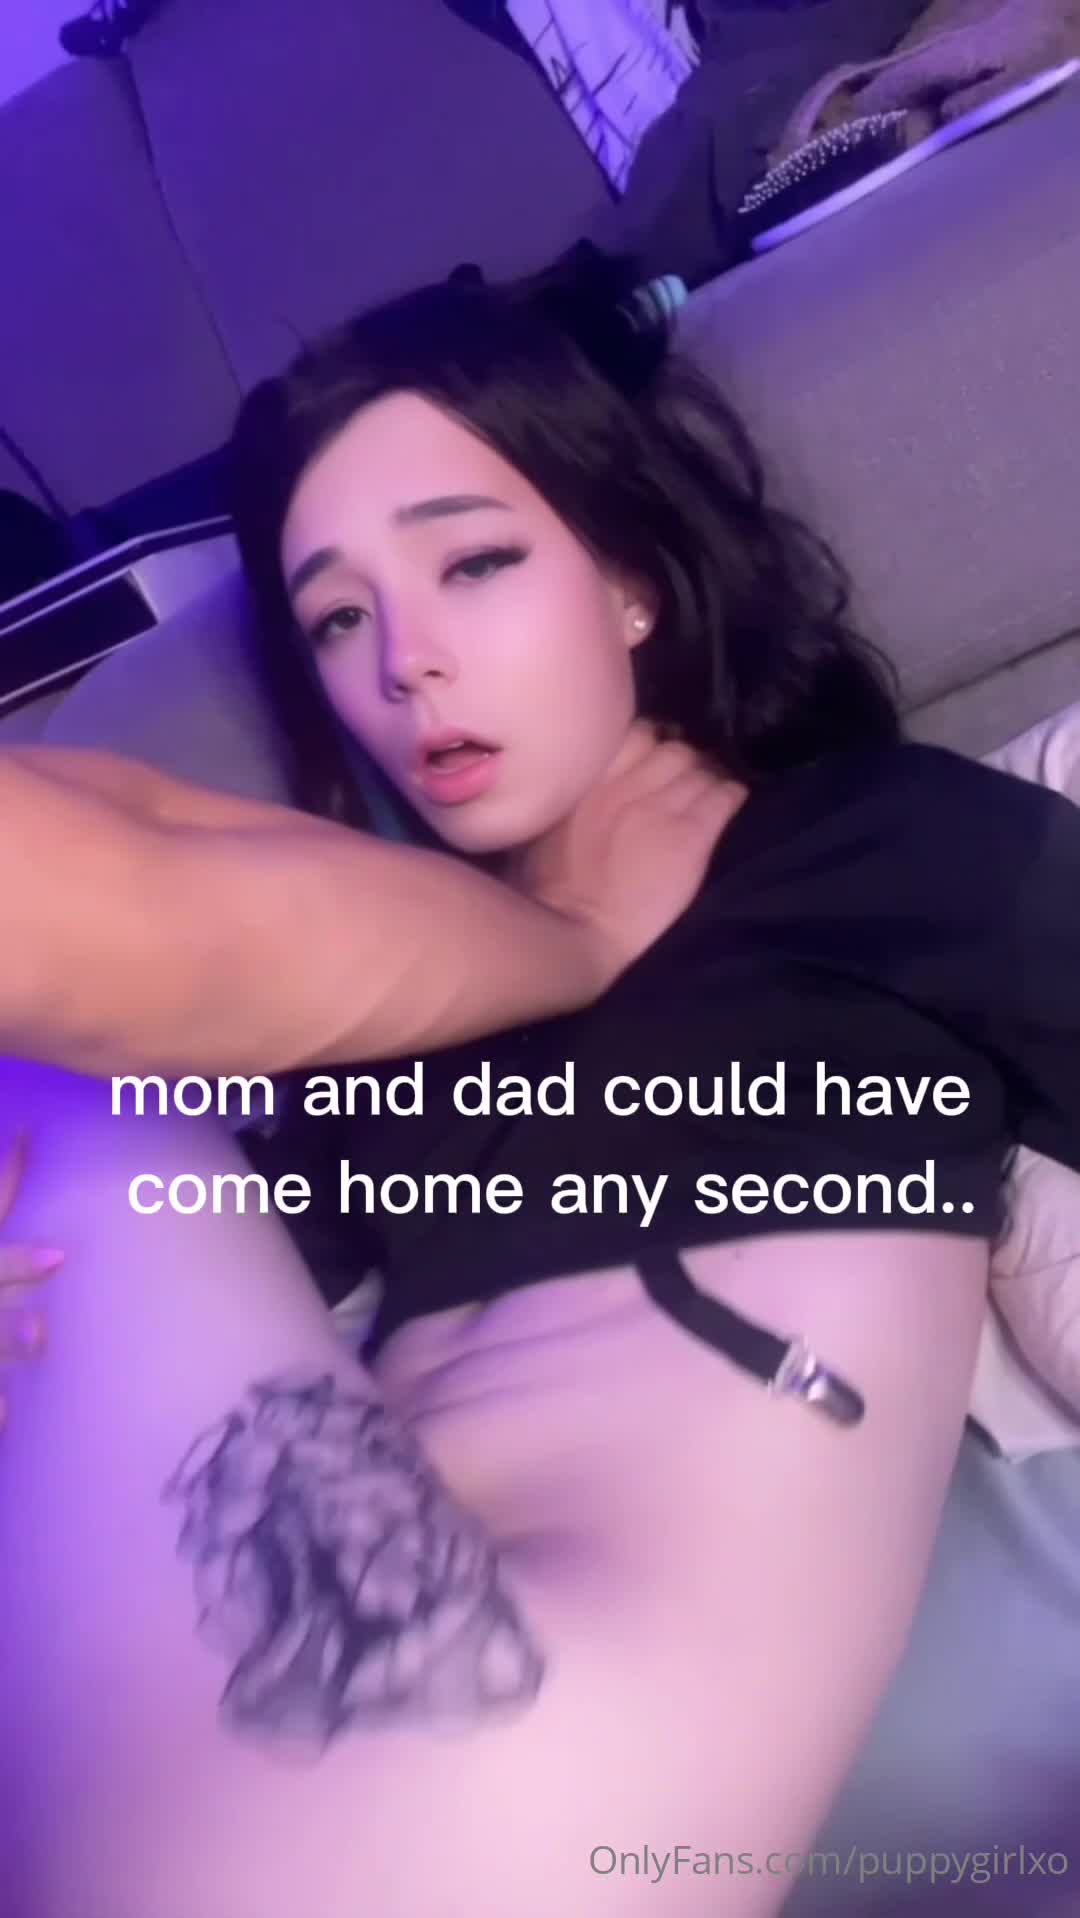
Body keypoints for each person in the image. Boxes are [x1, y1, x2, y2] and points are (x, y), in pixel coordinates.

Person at [1, 250, 1079, 1918]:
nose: (405, 662)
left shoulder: (883, 838)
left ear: (629, 579)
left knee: (68, 1065)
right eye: (338, 617)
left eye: (476, 561)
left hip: (519, 1763)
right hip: (253, 1702)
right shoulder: (377, 1022)